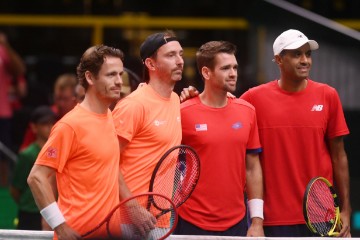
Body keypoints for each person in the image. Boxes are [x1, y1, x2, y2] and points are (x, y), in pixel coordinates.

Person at [180, 29, 352, 237]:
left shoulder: (328, 96)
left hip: (322, 216)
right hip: (272, 219)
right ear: (279, 60)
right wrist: (192, 97)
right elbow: (220, 105)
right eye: (297, 54)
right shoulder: (252, 100)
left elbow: (339, 156)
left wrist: (345, 208)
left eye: (308, 54)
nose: (305, 60)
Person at [28, 45, 154, 239]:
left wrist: (133, 207)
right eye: (111, 75)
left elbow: (110, 171)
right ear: (89, 77)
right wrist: (60, 226)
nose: (119, 81)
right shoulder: (70, 125)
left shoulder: (110, 116)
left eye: (120, 74)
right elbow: (36, 177)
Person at [173, 41, 264, 237]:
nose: (233, 73)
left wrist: (257, 221)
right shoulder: (182, 112)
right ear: (206, 72)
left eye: (235, 67)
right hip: (190, 221)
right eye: (225, 68)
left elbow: (253, 167)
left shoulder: (247, 111)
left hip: (238, 222)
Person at [112, 30, 183, 197]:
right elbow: (105, 161)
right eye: (171, 55)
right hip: (129, 217)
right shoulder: (133, 105)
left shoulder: (175, 99)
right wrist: (132, 206)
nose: (180, 61)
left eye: (180, 54)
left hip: (161, 215)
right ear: (151, 64)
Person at [10, 105, 56, 230]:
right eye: (44, 124)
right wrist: (30, 204)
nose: (49, 127)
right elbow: (15, 189)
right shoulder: (27, 154)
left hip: (53, 210)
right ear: (34, 127)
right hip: (30, 212)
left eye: (52, 123)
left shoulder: (58, 152)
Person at [19, 73, 80, 151]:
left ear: (75, 99)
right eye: (58, 98)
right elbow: (24, 149)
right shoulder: (43, 116)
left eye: (65, 99)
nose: (61, 103)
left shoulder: (82, 118)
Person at [0, 31, 26, 186]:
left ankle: (2, 193)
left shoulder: (3, 50)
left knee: (3, 158)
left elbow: (20, 70)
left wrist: (5, 44)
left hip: (2, 112)